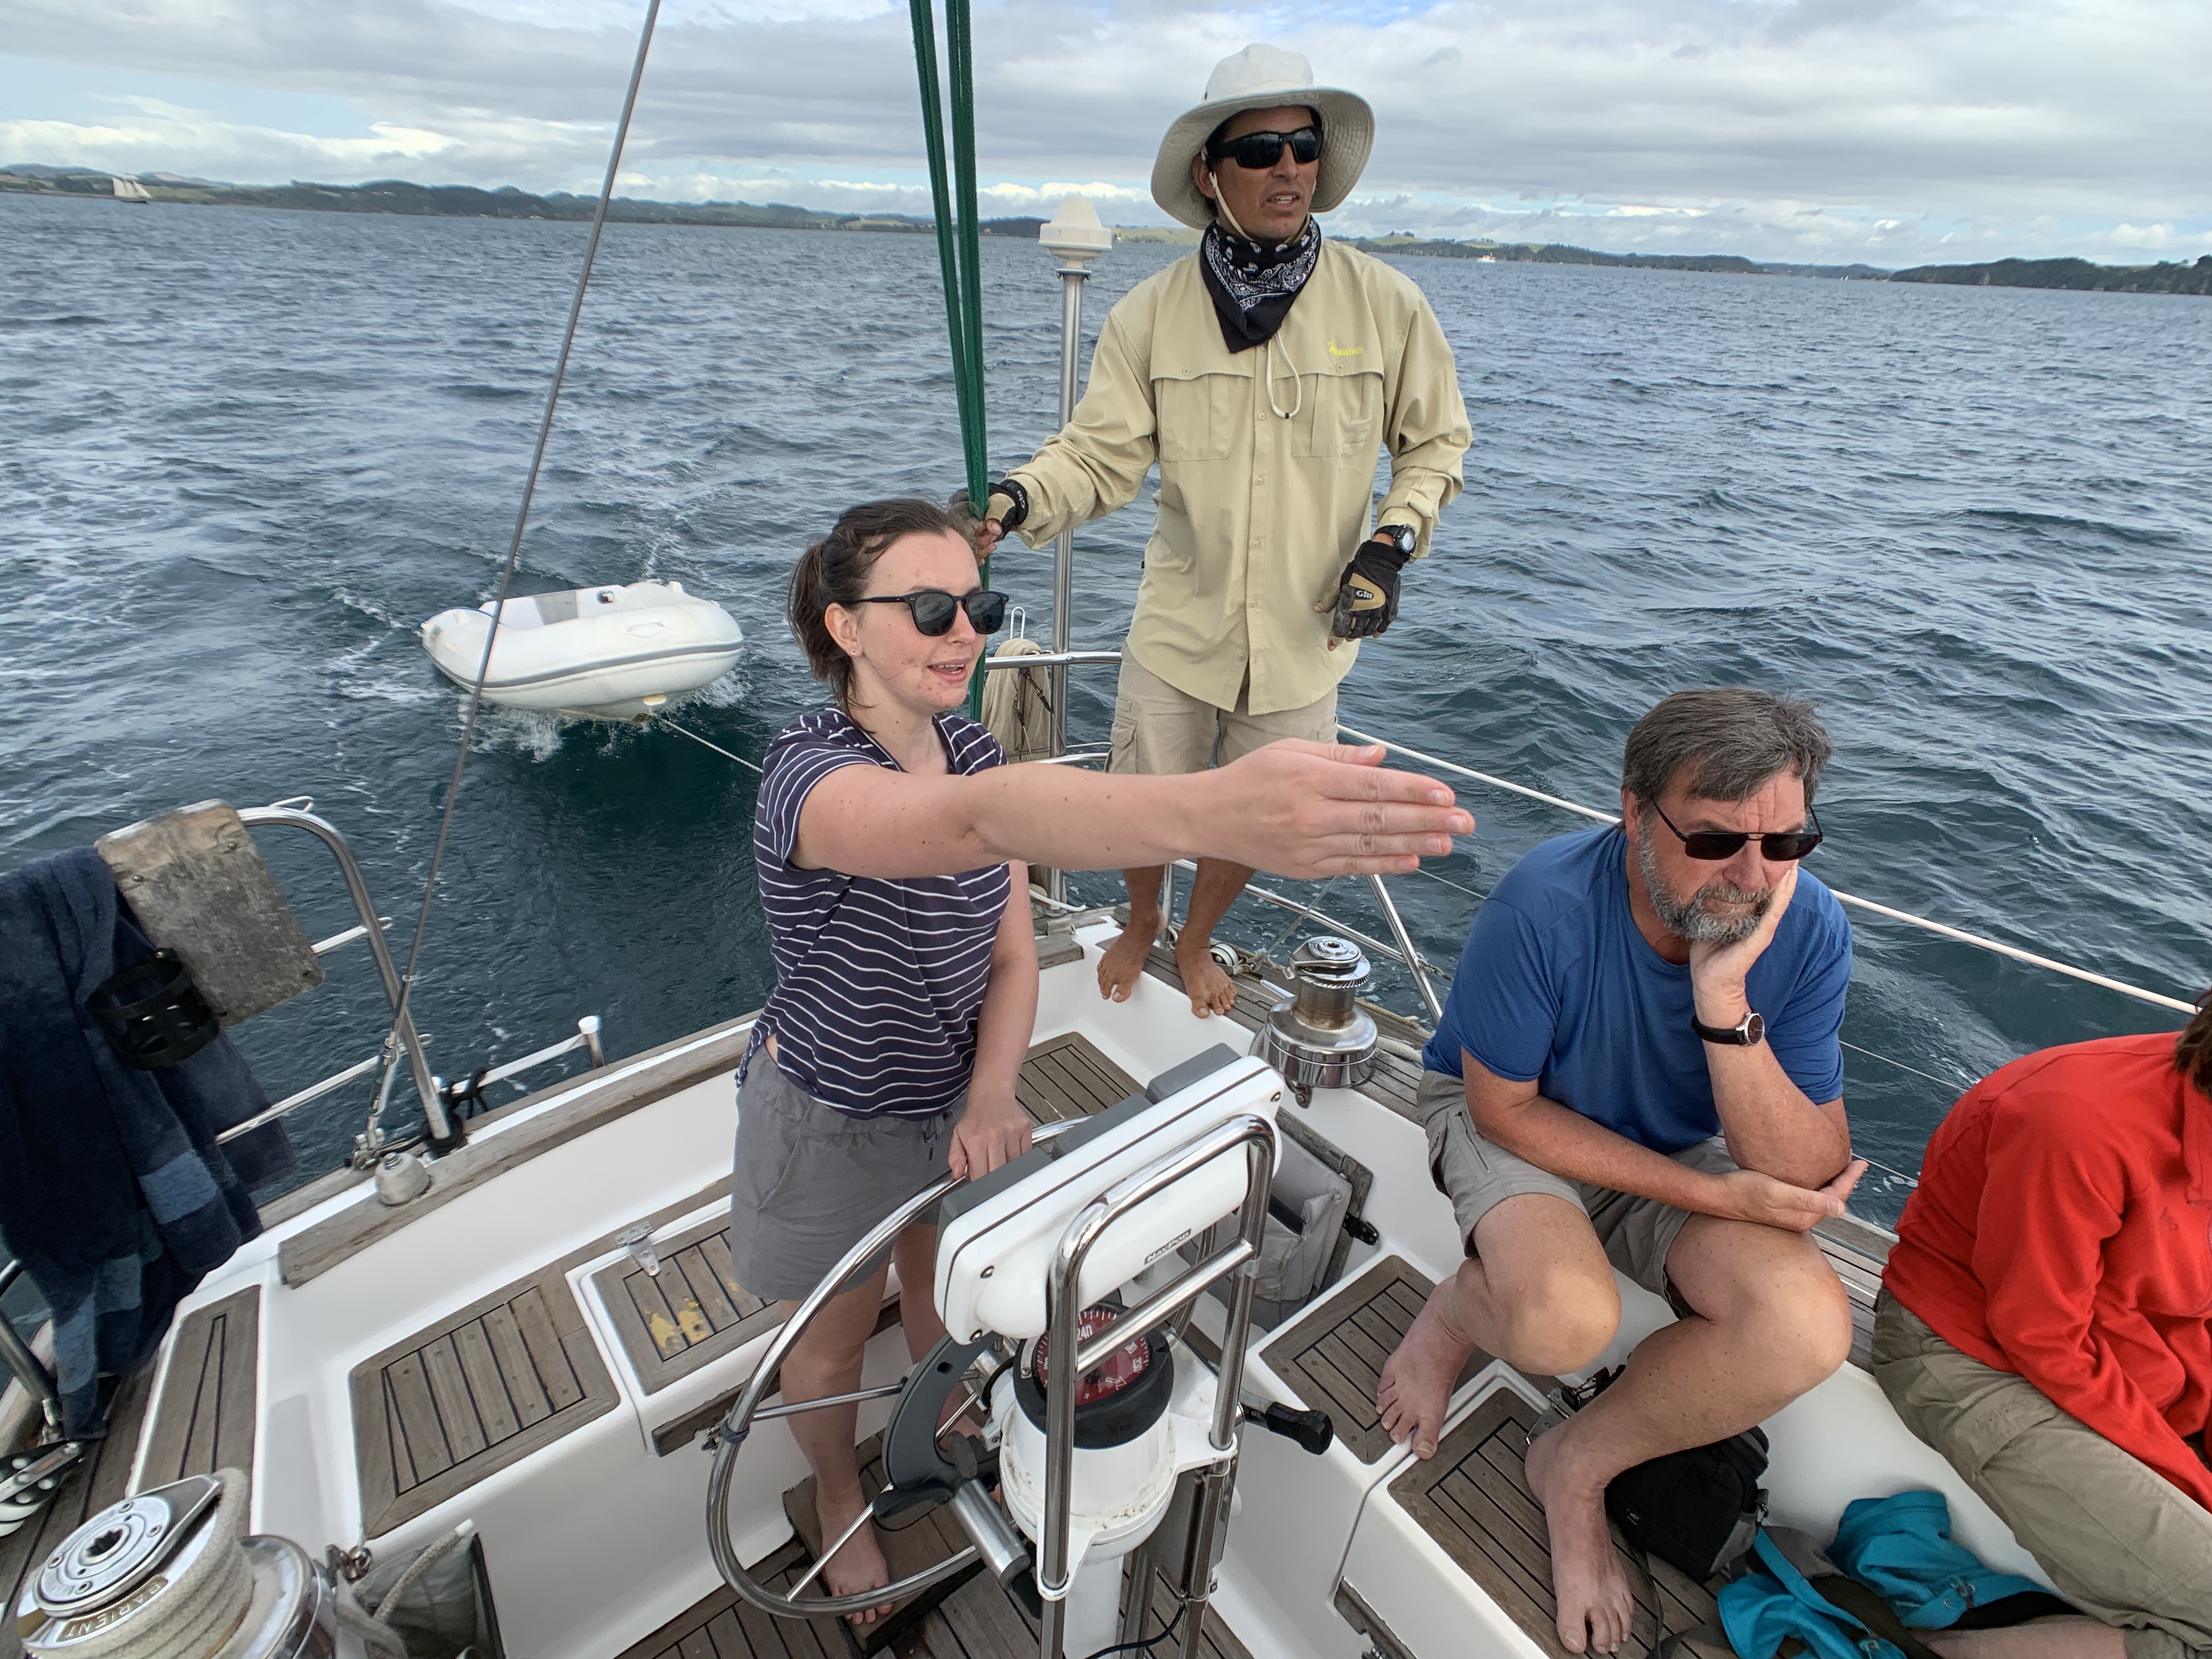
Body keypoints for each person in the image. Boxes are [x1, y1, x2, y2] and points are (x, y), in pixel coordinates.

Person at [729, 498, 1474, 1620]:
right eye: (929, 609)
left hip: (950, 1099)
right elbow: (973, 824)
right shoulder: (806, 770)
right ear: (845, 627)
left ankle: (941, 1416)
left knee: (939, 1289)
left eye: (977, 606)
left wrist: (991, 1091)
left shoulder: (973, 745)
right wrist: (1212, 808)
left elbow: (1011, 953)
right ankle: (841, 1492)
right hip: (832, 1112)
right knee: (829, 1346)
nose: (964, 632)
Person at [970, 41, 1471, 1022]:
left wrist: (1391, 544)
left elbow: (1437, 444)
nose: (1288, 167)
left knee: (1255, 816)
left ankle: (1196, 937)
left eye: (1304, 146)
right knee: (1141, 797)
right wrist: (1014, 501)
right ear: (1209, 172)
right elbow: (1098, 456)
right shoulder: (1149, 313)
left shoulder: (1388, 303)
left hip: (1307, 634)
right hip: (1179, 623)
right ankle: (1143, 918)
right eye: (1259, 150)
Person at [1374, 688, 1867, 1656]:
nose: (1754, 875)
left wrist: (1722, 998)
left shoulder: (1805, 926)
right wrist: (1714, 1194)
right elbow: (1502, 1109)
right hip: (1515, 1117)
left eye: (1785, 842)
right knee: (1560, 1322)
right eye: (1717, 840)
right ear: (1635, 810)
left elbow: (1807, 1169)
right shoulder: (1543, 905)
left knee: (1805, 1326)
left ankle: (1576, 1463)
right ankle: (1460, 1307)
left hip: (1669, 1143)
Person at [1872, 999, 2212, 1659]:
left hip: (2134, 1359)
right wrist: (2191, 1481)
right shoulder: (2077, 1121)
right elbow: (2040, 1334)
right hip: (1972, 1357)